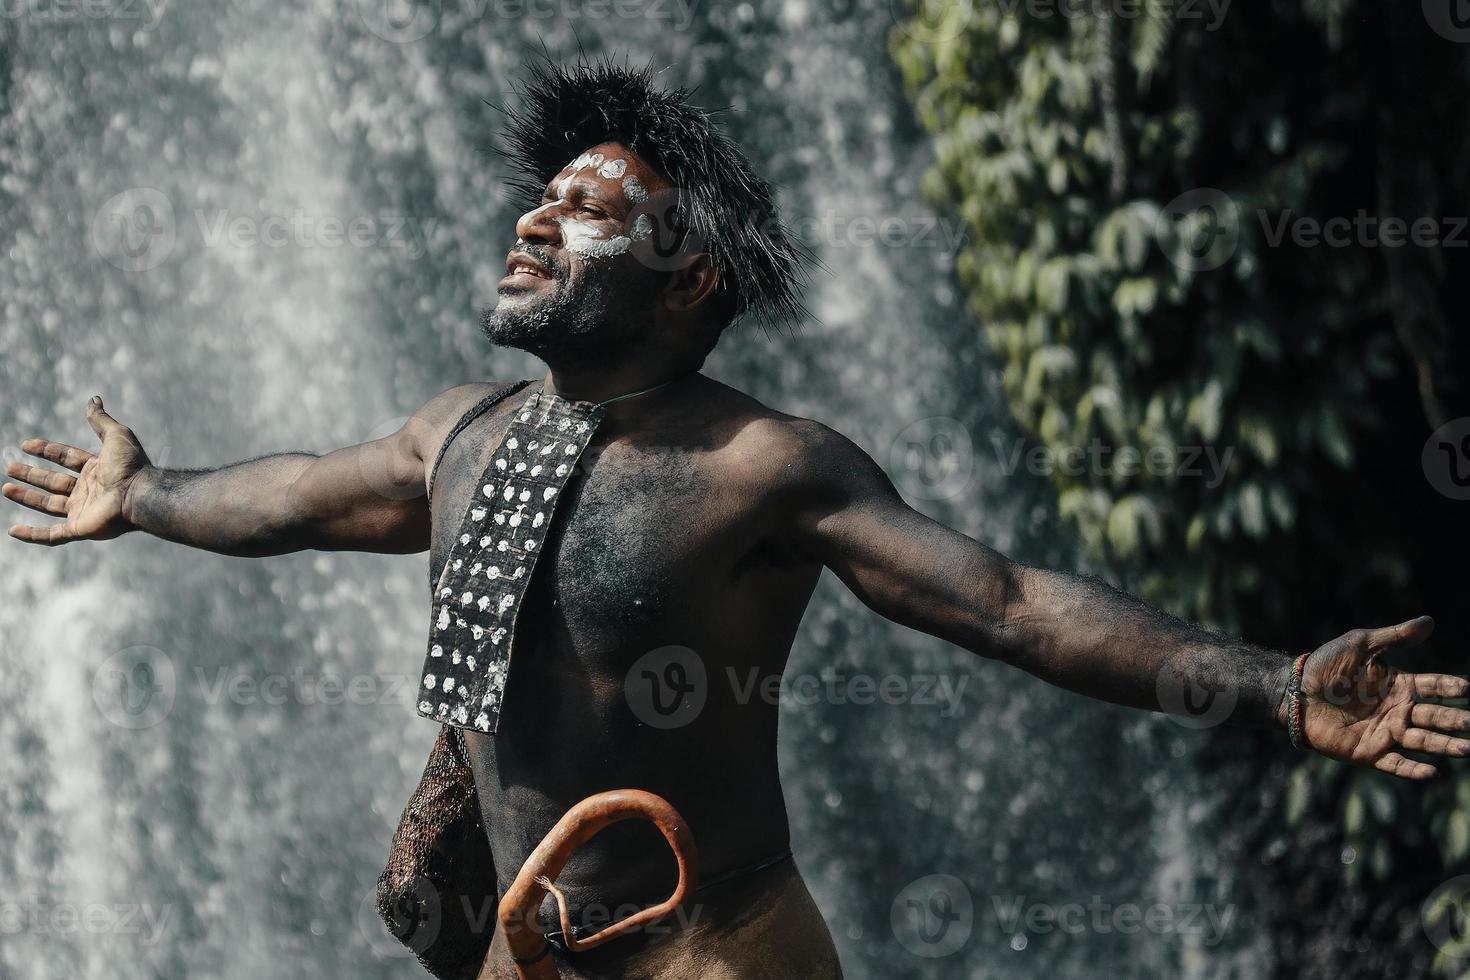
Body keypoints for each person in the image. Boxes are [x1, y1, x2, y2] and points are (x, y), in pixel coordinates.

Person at [6, 60, 1468, 980]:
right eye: (541, 199)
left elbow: (1005, 604)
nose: (531, 223)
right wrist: (143, 495)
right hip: (525, 946)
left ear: (688, 278)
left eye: (583, 212)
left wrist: (1274, 688)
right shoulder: (456, 434)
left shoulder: (767, 466)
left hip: (713, 949)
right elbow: (290, 499)